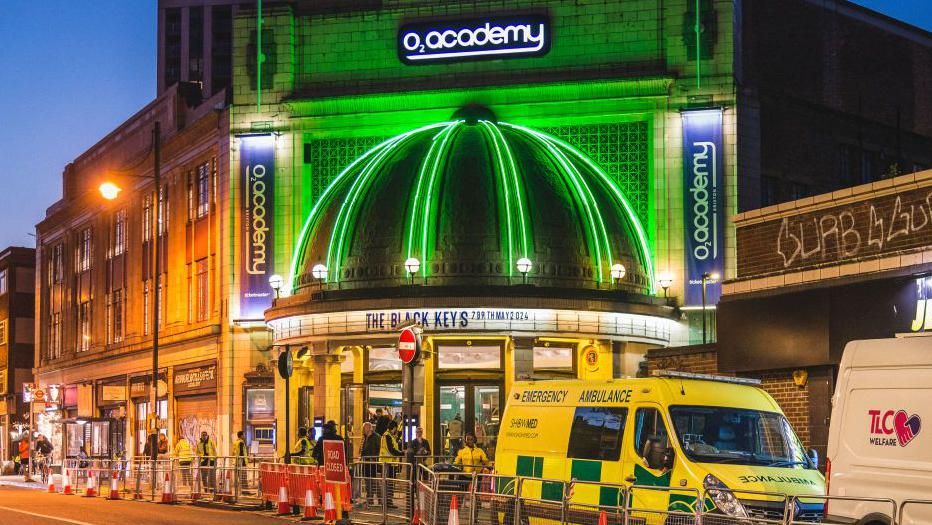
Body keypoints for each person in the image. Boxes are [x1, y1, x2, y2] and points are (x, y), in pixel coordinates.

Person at [380, 420, 404, 508]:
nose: (396, 431)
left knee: (389, 483)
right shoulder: (387, 436)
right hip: (388, 463)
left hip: (389, 463)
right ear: (393, 428)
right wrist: (402, 454)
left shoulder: (389, 436)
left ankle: (387, 502)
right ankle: (387, 502)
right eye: (396, 429)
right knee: (388, 483)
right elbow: (391, 450)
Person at [360, 422, 381, 505]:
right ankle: (370, 499)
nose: (363, 430)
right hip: (365, 462)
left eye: (364, 428)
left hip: (372, 462)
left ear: (369, 428)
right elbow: (362, 449)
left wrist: (375, 458)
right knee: (367, 481)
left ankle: (381, 499)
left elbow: (379, 449)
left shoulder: (376, 437)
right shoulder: (364, 437)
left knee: (374, 481)